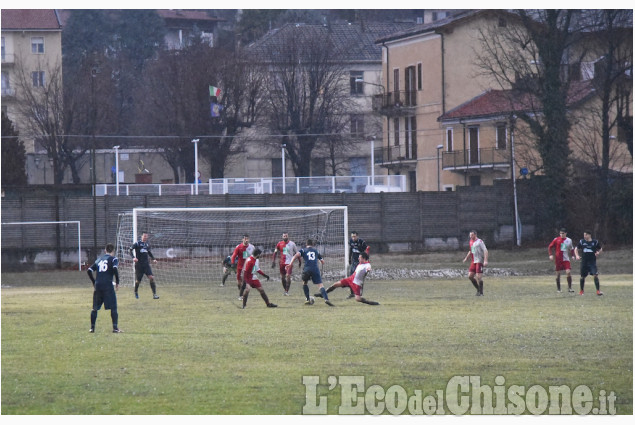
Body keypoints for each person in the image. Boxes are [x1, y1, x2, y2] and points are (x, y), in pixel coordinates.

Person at [87, 243, 122, 333]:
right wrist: (117, 282)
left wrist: (94, 282)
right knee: (113, 307)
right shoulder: (114, 259)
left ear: (105, 250)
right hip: (107, 285)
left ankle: (92, 328)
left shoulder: (99, 259)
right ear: (113, 251)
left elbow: (89, 270)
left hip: (98, 286)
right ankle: (115, 328)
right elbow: (114, 269)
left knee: (95, 308)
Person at [288, 239, 334, 307]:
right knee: (320, 285)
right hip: (315, 269)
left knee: (304, 283)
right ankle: (326, 299)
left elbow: (295, 256)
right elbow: (322, 261)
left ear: (306, 244)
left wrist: (290, 264)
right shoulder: (316, 251)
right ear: (312, 244)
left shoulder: (303, 250)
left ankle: (307, 299)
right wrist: (319, 261)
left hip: (307, 269)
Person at [130, 232, 159, 299]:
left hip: (146, 265)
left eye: (146, 236)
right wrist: (133, 257)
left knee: (151, 278)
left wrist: (153, 259)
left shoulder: (147, 244)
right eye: (144, 236)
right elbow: (130, 250)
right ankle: (136, 291)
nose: (145, 237)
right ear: (142, 236)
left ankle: (154, 294)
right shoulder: (137, 243)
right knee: (138, 281)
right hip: (139, 265)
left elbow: (149, 252)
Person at [574, 231, 603, 296]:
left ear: (589, 235)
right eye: (584, 235)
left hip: (592, 262)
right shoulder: (582, 241)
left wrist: (598, 252)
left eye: (586, 235)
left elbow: (600, 248)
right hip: (584, 262)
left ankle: (598, 291)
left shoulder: (595, 242)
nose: (584, 236)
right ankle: (581, 291)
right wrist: (577, 255)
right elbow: (576, 248)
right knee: (582, 277)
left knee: (595, 275)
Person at [548, 228, 575, 293]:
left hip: (566, 259)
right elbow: (550, 247)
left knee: (568, 272)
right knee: (558, 274)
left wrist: (573, 255)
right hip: (558, 259)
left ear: (566, 233)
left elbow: (571, 248)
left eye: (563, 233)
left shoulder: (569, 240)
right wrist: (550, 255)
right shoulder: (556, 239)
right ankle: (559, 289)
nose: (561, 234)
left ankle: (570, 288)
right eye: (560, 233)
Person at [462, 230, 488, 296]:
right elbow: (471, 251)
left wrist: (485, 260)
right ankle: (478, 290)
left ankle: (481, 293)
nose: (470, 236)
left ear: (475, 235)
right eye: (470, 235)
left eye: (472, 235)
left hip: (479, 261)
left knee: (478, 277)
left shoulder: (480, 242)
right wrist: (466, 258)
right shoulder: (471, 242)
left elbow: (485, 251)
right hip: (473, 261)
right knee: (470, 276)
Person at [347, 231, 370, 298]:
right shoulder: (351, 241)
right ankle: (352, 293)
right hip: (354, 262)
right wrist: (349, 259)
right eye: (352, 236)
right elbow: (351, 249)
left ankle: (359, 294)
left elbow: (366, 252)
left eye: (354, 236)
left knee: (359, 278)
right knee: (351, 277)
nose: (353, 238)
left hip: (361, 263)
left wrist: (366, 262)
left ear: (357, 236)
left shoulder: (362, 242)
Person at [231, 234, 255, 299]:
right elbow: (233, 256)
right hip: (240, 267)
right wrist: (232, 263)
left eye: (247, 238)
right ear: (242, 239)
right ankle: (241, 292)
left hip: (247, 267)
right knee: (239, 282)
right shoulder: (238, 247)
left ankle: (241, 295)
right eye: (245, 238)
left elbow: (255, 257)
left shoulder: (252, 247)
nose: (246, 240)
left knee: (244, 281)